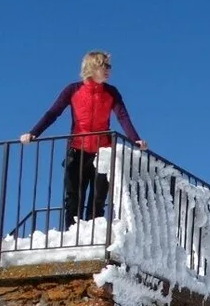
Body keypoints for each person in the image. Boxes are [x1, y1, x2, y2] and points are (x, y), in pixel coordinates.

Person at [20, 50, 147, 223]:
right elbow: (53, 113)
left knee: (98, 198)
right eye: (104, 66)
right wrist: (33, 132)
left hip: (103, 152)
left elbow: (122, 116)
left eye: (109, 66)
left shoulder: (111, 92)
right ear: (92, 67)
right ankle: (73, 235)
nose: (108, 70)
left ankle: (93, 237)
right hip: (77, 150)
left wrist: (135, 139)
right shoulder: (73, 89)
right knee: (73, 197)